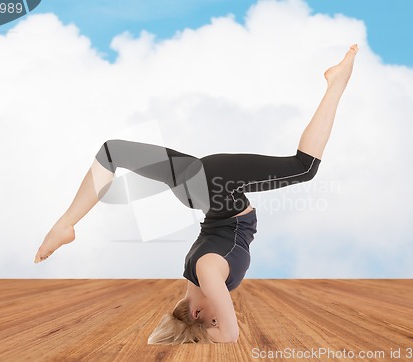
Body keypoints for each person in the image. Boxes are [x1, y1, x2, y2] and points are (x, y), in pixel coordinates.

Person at [34, 44, 359, 344]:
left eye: (212, 317)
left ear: (198, 313)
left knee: (303, 167)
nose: (224, 311)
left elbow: (230, 335)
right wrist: (180, 330)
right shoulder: (194, 274)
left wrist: (200, 331)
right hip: (204, 191)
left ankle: (336, 84)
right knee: (113, 152)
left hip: (216, 188)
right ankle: (65, 223)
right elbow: (197, 314)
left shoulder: (204, 272)